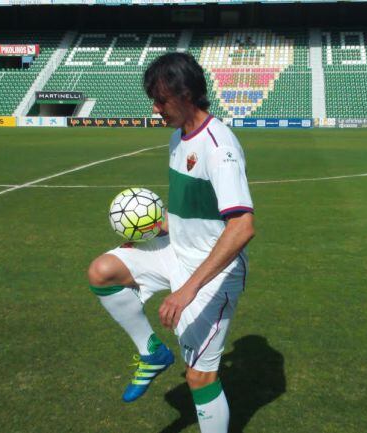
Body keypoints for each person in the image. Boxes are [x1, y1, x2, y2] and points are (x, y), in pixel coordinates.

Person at [87, 52, 255, 433]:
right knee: (104, 271)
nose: (156, 107)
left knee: (200, 377)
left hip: (212, 274)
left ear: (186, 94)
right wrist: (151, 234)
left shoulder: (219, 147)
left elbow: (242, 227)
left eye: (161, 99)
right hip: (174, 252)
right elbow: (189, 207)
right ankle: (152, 352)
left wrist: (186, 291)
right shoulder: (177, 137)